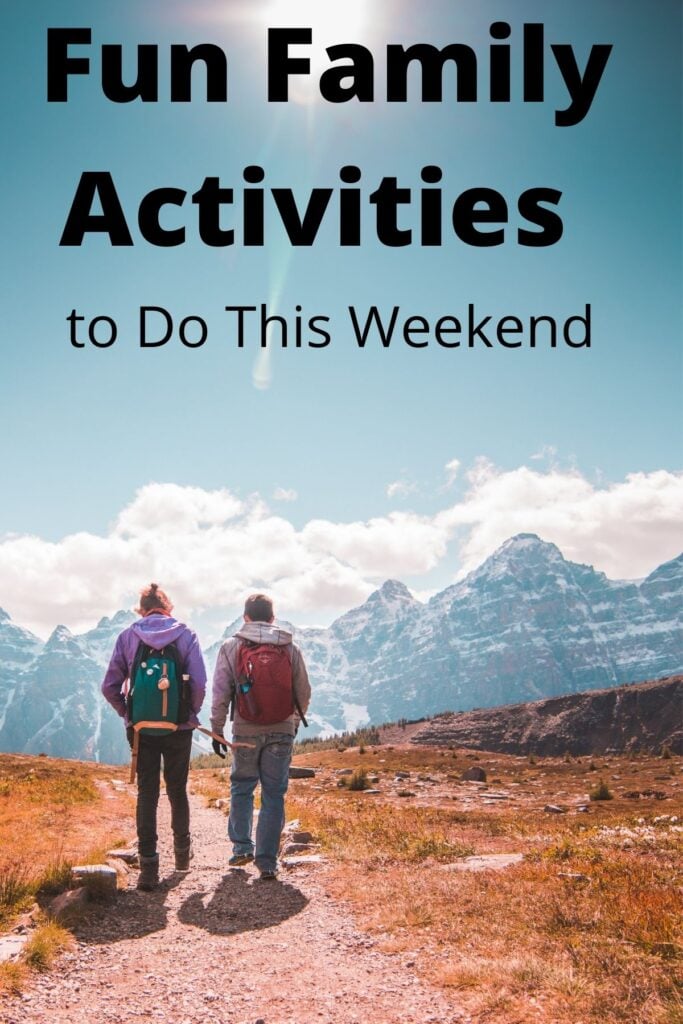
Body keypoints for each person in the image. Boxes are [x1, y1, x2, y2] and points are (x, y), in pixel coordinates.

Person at [101, 583, 207, 890]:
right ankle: (182, 857)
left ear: (142, 609)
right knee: (177, 789)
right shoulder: (186, 634)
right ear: (168, 608)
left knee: (148, 792)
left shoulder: (127, 636)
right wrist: (188, 713)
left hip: (141, 728)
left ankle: (148, 868)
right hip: (179, 728)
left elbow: (109, 686)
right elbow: (199, 683)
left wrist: (128, 714)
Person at [211, 593, 311, 880]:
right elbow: (303, 692)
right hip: (280, 730)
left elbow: (221, 692)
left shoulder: (232, 646)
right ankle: (267, 861)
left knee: (242, 786)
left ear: (245, 617)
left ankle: (242, 847)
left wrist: (217, 730)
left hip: (245, 730)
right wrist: (290, 724)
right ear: (272, 618)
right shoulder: (290, 647)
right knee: (274, 793)